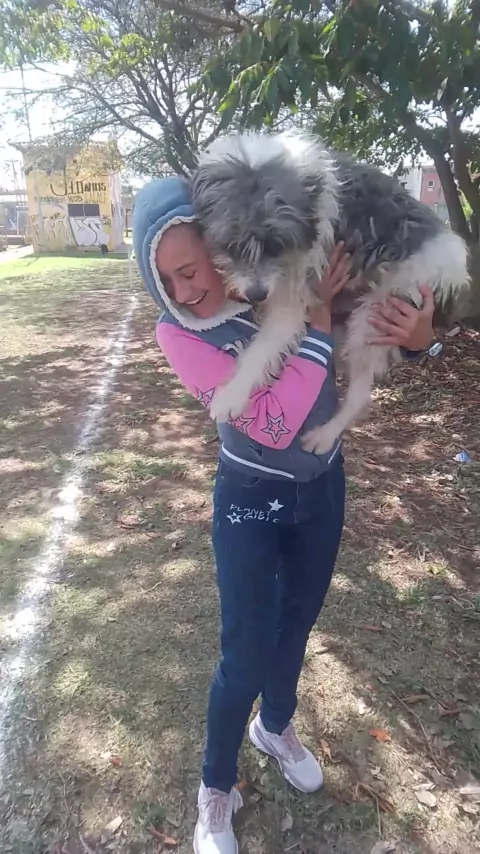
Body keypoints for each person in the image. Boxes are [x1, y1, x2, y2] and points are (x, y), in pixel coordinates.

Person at [132, 176, 435, 854]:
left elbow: (378, 316)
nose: (183, 291)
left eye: (190, 270)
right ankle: (215, 786)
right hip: (249, 498)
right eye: (166, 280)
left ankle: (274, 727)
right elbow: (273, 424)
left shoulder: (289, 272)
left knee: (296, 626)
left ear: (221, 245)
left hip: (322, 489)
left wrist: (420, 335)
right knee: (245, 654)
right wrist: (317, 318)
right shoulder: (177, 333)